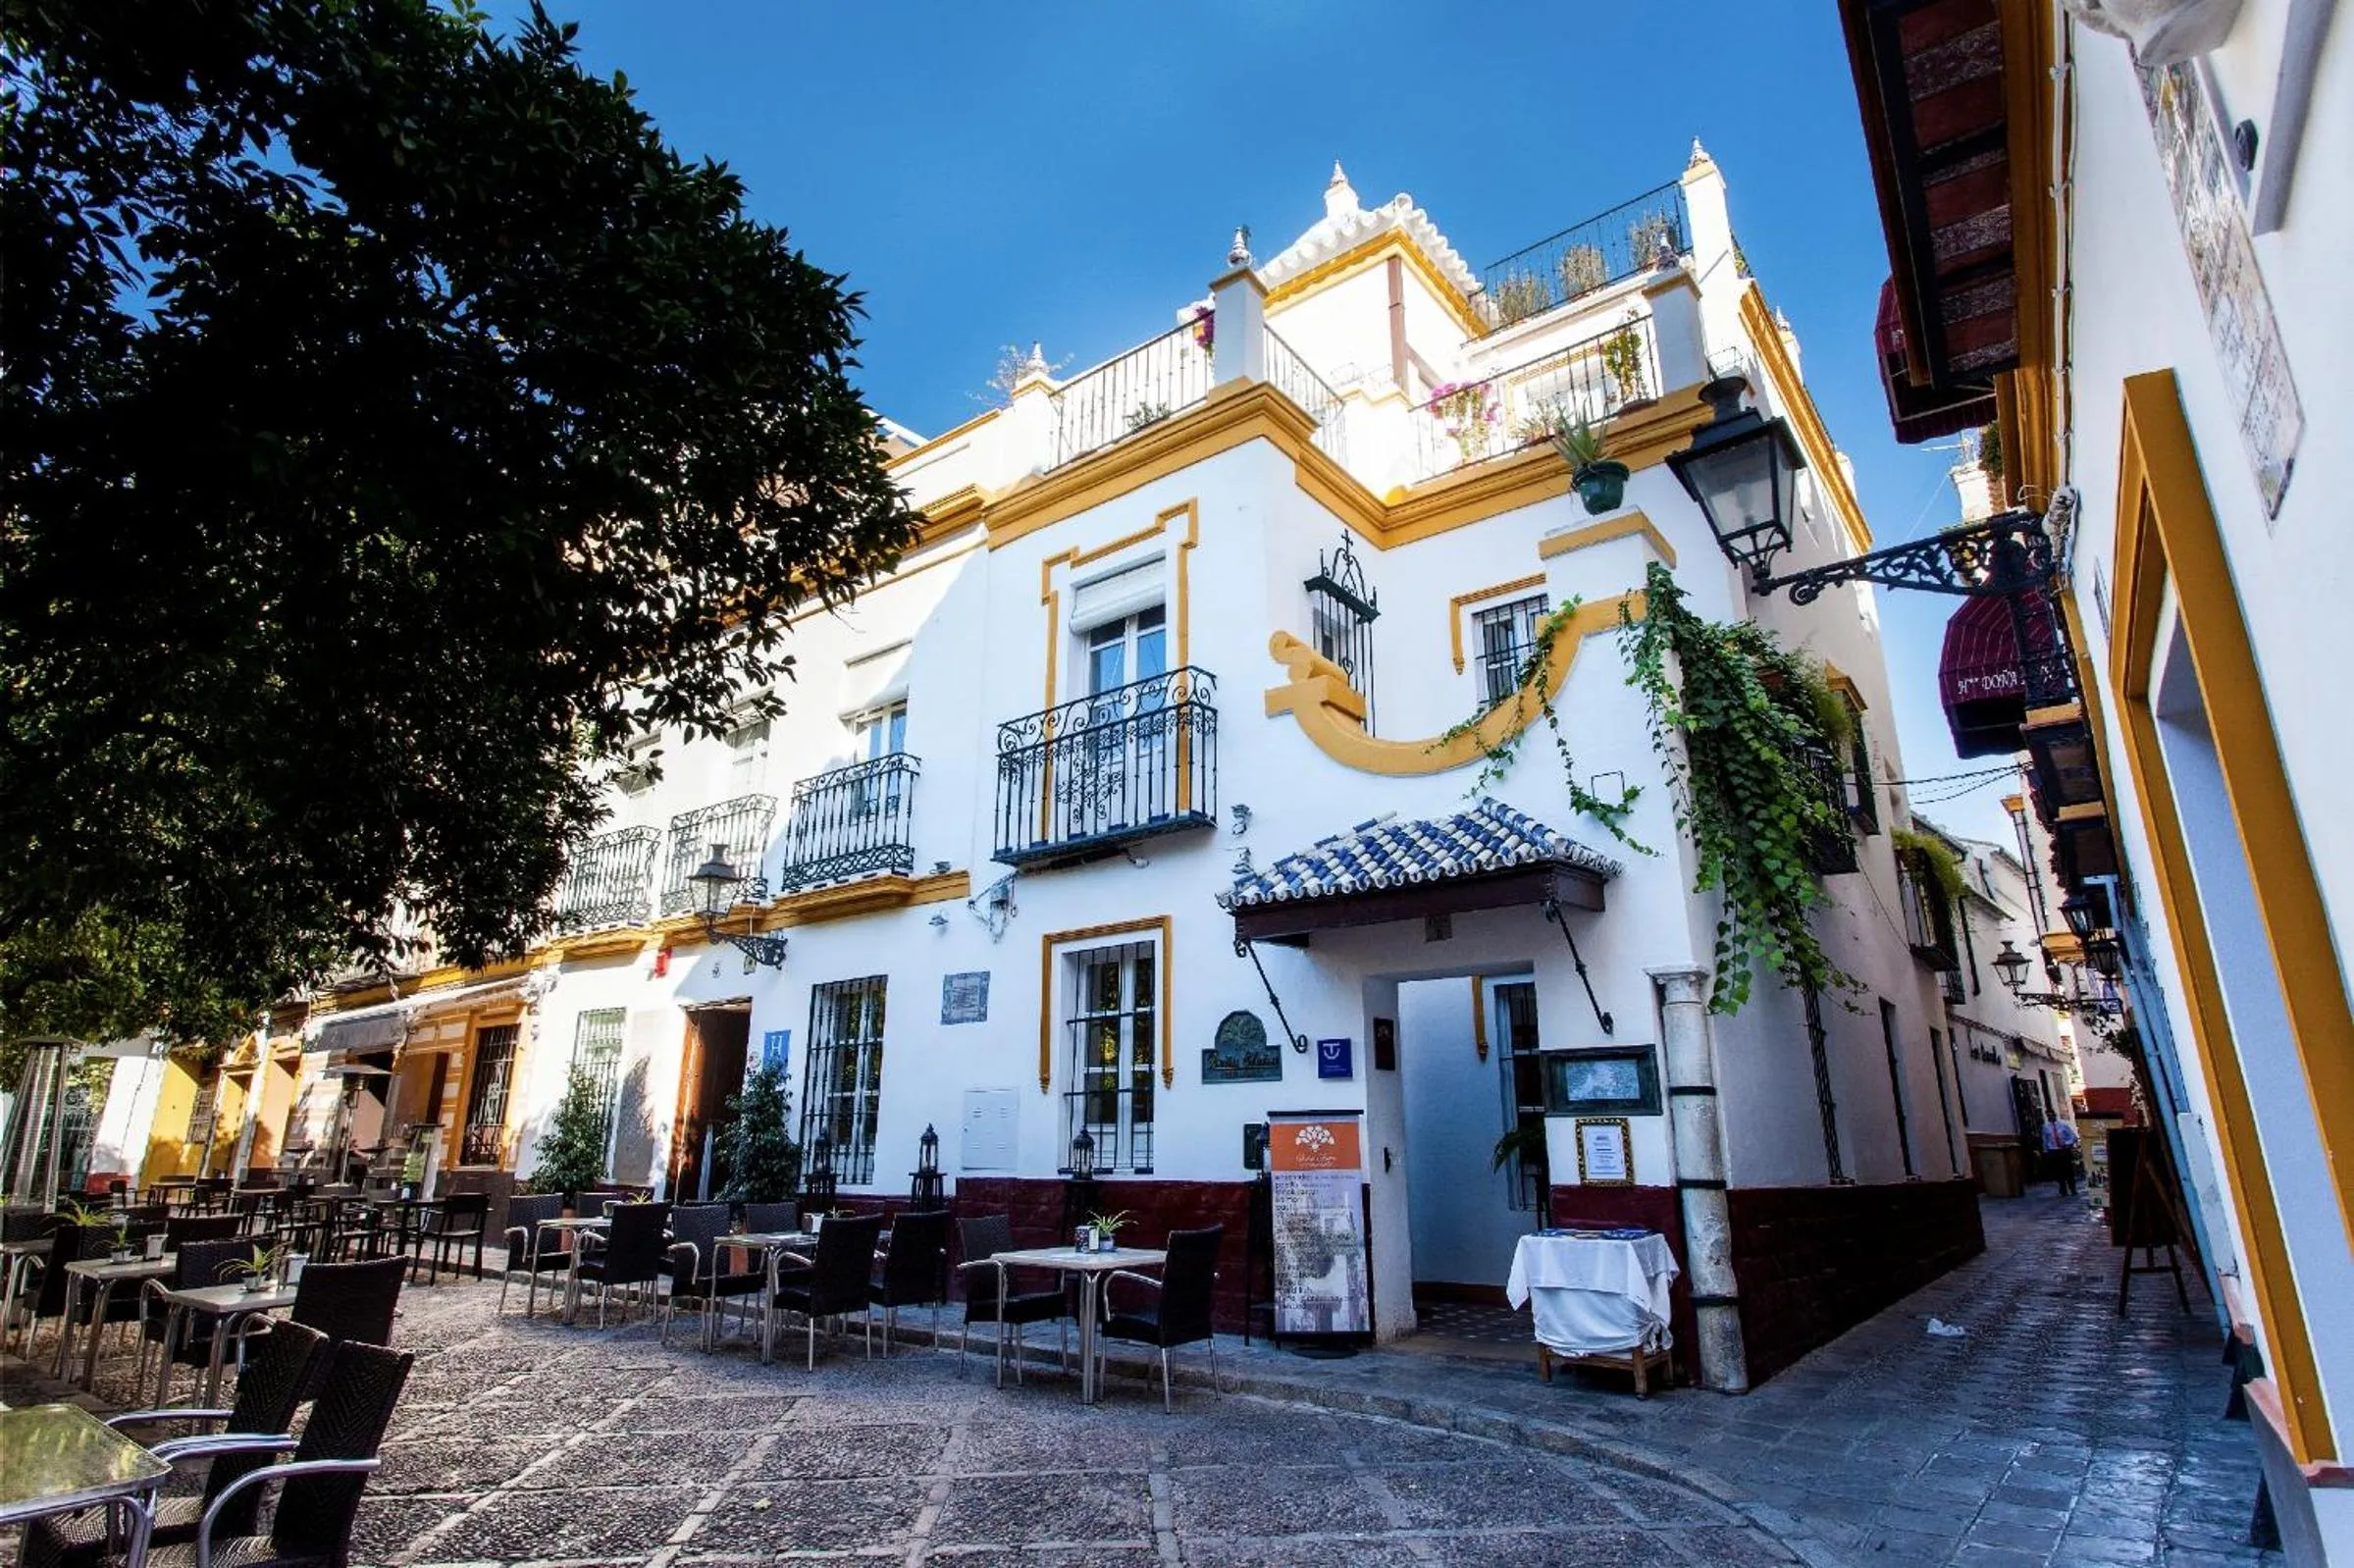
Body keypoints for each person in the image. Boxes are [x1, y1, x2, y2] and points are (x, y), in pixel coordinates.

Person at [2042, 1117, 2082, 1196]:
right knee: (2058, 1171)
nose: (2050, 1117)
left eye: (2051, 1114)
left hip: (2064, 1150)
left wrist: (2067, 1143)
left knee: (2068, 1170)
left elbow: (2073, 1137)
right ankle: (2063, 1189)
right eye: (2048, 1115)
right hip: (2053, 1150)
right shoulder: (2045, 1127)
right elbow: (2045, 1139)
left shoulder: (2063, 1125)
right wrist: (2046, 1151)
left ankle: (2073, 1189)